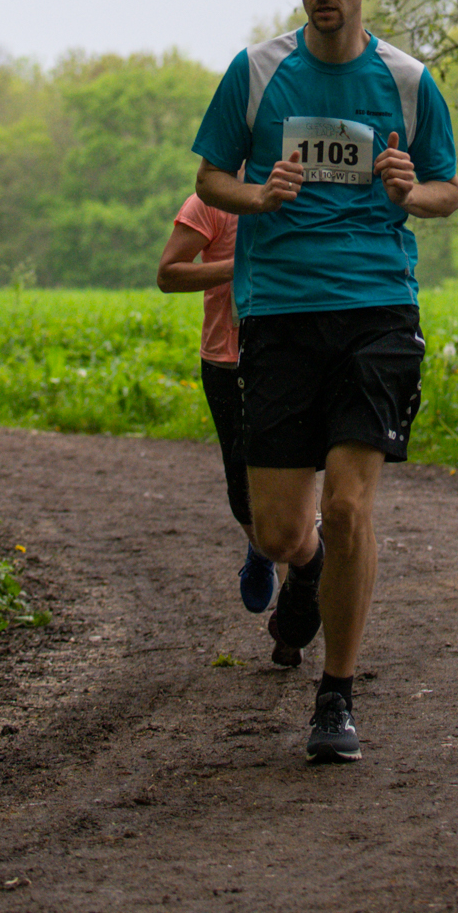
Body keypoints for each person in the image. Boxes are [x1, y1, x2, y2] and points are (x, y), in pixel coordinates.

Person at [189, 0, 458, 764]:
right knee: (277, 530)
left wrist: (410, 192)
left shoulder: (408, 81)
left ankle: (336, 692)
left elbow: (449, 189)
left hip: (378, 309)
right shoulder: (258, 73)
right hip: (280, 312)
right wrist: (259, 197)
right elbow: (210, 176)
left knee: (347, 506)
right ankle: (303, 568)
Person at [155, 192, 282, 614]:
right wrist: (239, 266)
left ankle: (299, 593)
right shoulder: (209, 202)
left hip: (290, 351)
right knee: (241, 476)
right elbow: (168, 274)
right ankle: (261, 548)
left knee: (297, 467)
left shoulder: (304, 192)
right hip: (225, 360)